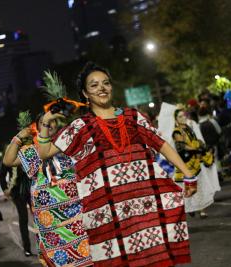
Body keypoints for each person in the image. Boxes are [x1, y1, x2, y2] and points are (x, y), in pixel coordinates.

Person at [37, 62, 197, 266]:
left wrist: (188, 172)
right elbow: (44, 152)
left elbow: (161, 144)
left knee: (156, 258)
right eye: (94, 85)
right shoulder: (80, 126)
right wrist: (47, 119)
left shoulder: (133, 117)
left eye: (106, 83)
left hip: (146, 204)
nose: (102, 88)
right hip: (109, 214)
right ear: (85, 93)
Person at [3, 113, 93, 267]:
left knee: (85, 252)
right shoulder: (32, 151)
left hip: (75, 212)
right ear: (38, 127)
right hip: (49, 218)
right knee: (57, 256)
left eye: (53, 121)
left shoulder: (67, 144)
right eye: (46, 122)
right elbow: (8, 160)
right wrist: (19, 137)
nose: (50, 125)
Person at [158, 104, 220, 218]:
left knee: (199, 185)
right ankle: (190, 207)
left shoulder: (190, 125)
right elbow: (180, 146)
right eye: (180, 116)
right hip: (184, 162)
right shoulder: (176, 131)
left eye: (184, 115)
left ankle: (202, 210)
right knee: (189, 187)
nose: (183, 118)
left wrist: (202, 147)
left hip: (196, 160)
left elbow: (198, 139)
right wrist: (197, 148)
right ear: (176, 119)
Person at [0, 164, 32, 257]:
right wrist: (5, 188)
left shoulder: (28, 150)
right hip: (17, 191)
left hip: (32, 187)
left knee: (39, 216)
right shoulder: (9, 154)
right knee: (23, 218)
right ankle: (27, 248)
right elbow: (2, 175)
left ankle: (44, 245)